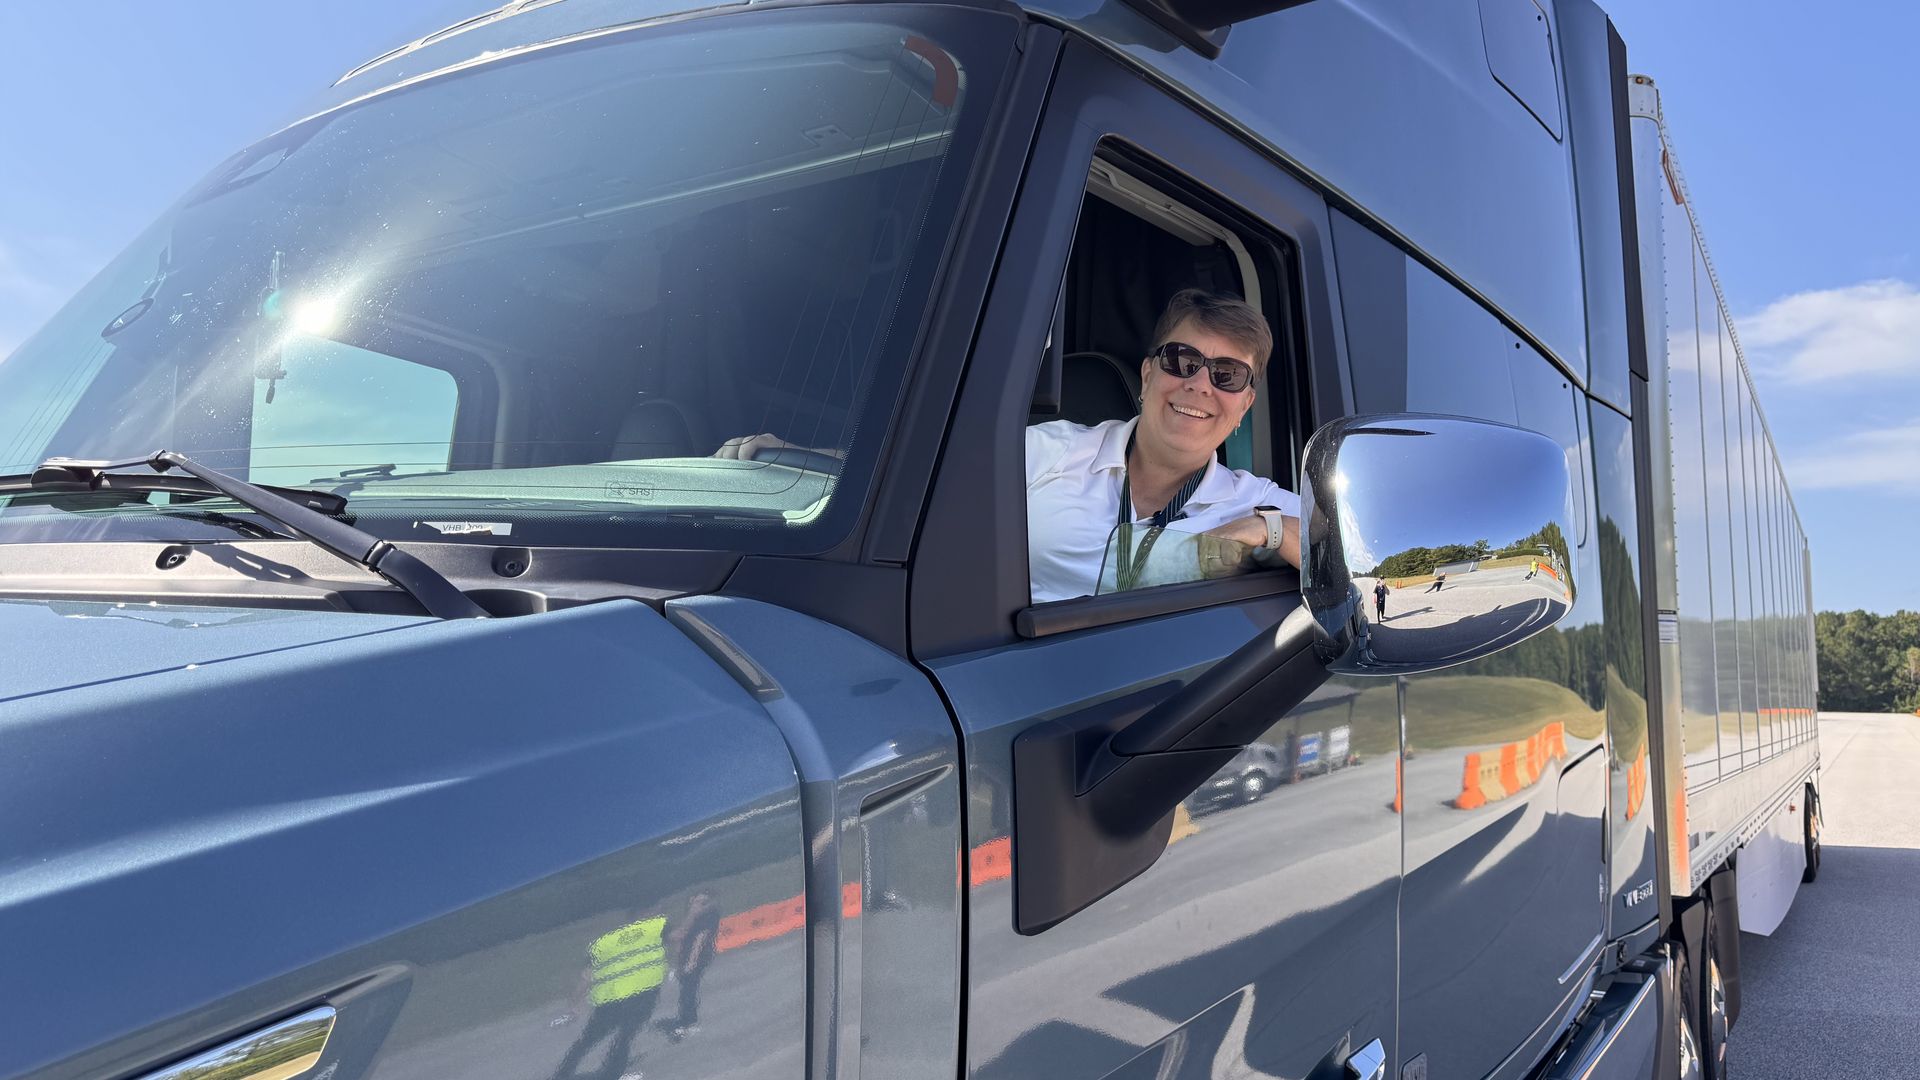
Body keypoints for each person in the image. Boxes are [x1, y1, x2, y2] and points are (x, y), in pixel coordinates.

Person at [1025, 289, 1300, 603]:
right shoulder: (1050, 450)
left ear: (1245, 407)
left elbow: (1359, 560)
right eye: (1181, 360)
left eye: (1227, 375)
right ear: (1146, 375)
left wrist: (1269, 528)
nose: (1199, 385)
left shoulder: (1256, 500)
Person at [556, 912, 669, 1080]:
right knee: (625, 1035)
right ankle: (614, 1072)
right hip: (634, 997)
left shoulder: (602, 945)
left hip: (608, 1001)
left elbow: (586, 977)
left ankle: (562, 1074)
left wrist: (574, 1003)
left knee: (588, 1040)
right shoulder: (642, 936)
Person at [662, 891, 722, 1042]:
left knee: (688, 989)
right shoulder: (694, 915)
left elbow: (699, 941)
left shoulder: (709, 917)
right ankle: (688, 1019)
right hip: (688, 957)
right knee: (686, 989)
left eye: (699, 903)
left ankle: (687, 1022)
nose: (694, 905)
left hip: (699, 957)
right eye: (693, 901)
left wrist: (691, 962)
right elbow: (682, 936)